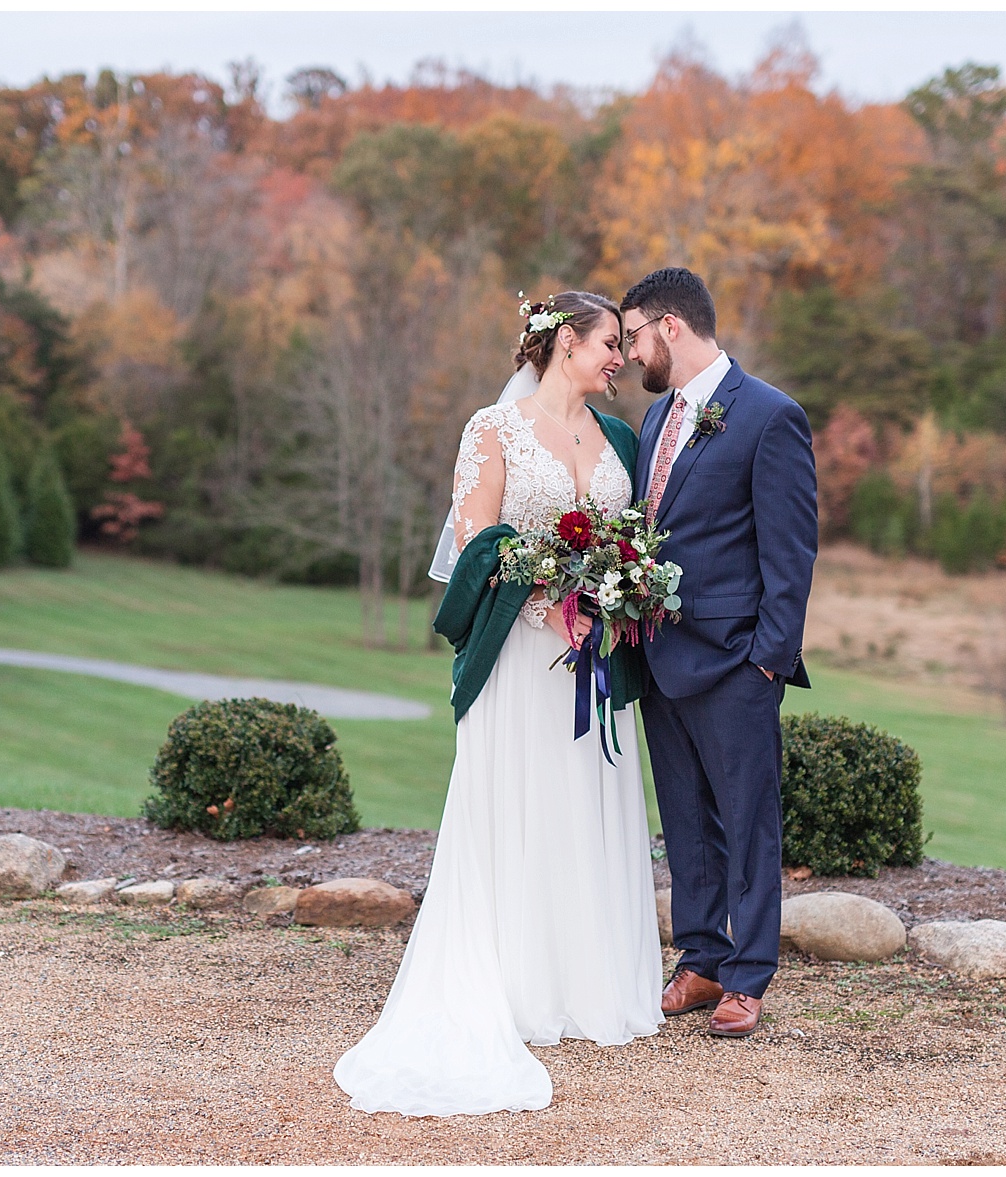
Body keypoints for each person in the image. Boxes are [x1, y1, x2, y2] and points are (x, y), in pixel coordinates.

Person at [333, 291, 663, 1116]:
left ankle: (588, 985)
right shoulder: (493, 428)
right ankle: (514, 985)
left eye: (622, 343)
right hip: (520, 654)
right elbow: (479, 542)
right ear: (563, 346)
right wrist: (551, 591)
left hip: (593, 656)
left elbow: (630, 533)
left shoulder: (616, 435)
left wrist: (616, 590)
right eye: (608, 342)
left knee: (583, 804)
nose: (618, 355)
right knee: (519, 802)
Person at [620, 266, 817, 1039]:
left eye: (633, 336)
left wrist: (766, 659)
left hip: (736, 658)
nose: (630, 354)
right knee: (684, 820)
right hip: (660, 656)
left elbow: (790, 550)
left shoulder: (769, 416)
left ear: (669, 326)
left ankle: (747, 976)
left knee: (746, 820)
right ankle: (700, 960)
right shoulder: (654, 421)